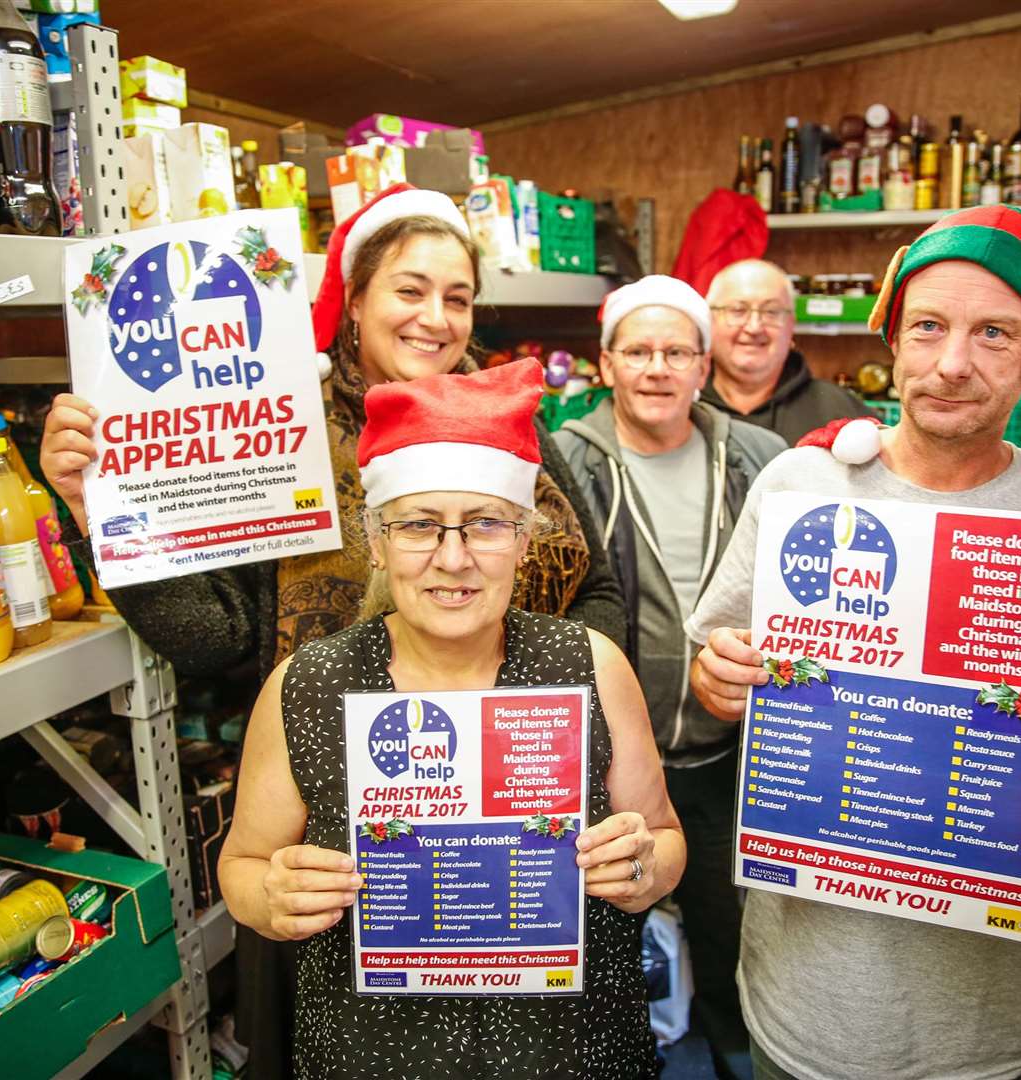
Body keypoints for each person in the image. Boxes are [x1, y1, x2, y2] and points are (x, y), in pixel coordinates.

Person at [40, 184, 627, 1079]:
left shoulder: (516, 428)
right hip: (343, 839)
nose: (436, 317)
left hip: (528, 820)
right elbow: (215, 636)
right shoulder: (284, 437)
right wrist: (102, 514)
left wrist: (534, 699)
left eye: (458, 296)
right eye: (409, 289)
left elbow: (601, 592)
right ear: (353, 300)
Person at [686, 205, 1021, 1080]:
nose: (952, 364)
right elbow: (718, 680)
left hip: (987, 1020)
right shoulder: (804, 484)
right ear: (892, 338)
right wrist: (723, 676)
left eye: (995, 334)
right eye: (928, 326)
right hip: (807, 995)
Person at [219, 358, 685, 1079]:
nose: (454, 558)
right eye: (420, 527)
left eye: (486, 525)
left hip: (570, 1045)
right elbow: (242, 867)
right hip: (369, 1049)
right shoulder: (308, 685)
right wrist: (272, 897)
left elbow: (663, 838)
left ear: (525, 541)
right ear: (376, 541)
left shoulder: (588, 666)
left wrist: (645, 868)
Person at [553, 274, 783, 1080]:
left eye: (676, 351)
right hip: (613, 763)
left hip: (730, 755)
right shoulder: (570, 462)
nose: (658, 368)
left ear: (703, 362)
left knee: (729, 929)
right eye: (638, 351)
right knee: (607, 935)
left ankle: (729, 1055)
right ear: (607, 363)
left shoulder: (760, 458)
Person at [699, 259, 872, 445]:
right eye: (738, 310)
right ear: (710, 320)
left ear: (791, 325)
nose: (754, 327)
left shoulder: (841, 414)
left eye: (771, 312)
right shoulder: (683, 407)